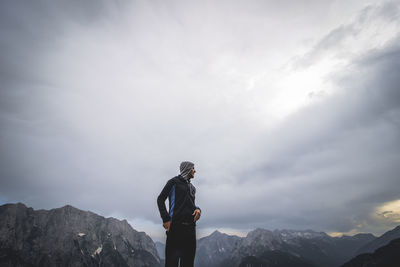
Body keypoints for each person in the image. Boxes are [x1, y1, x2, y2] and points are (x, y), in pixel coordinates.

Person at [157, 161, 201, 267]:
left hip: (190, 230)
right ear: (187, 169)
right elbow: (160, 199)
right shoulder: (173, 182)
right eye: (193, 168)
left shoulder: (192, 188)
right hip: (175, 229)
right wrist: (165, 219)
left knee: (188, 264)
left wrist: (198, 210)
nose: (195, 171)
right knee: (172, 263)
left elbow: (191, 205)